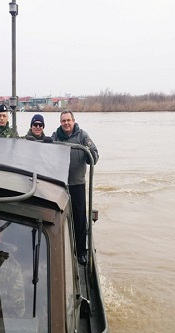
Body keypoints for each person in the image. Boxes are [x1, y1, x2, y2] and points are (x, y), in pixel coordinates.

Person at [51, 110, 99, 265]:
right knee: (57, 216)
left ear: (73, 121)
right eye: (63, 121)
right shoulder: (55, 136)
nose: (66, 123)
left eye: (68, 120)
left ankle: (81, 252)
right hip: (60, 183)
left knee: (79, 218)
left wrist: (90, 152)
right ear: (60, 122)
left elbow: (95, 156)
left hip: (77, 184)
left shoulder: (82, 136)